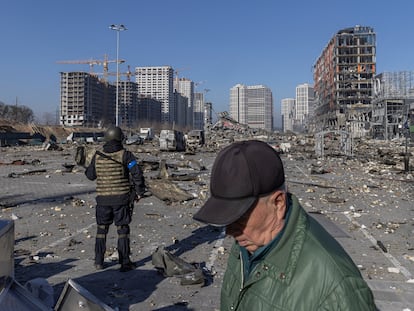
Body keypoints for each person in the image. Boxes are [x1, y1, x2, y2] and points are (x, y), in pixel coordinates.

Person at [193, 140, 377, 310]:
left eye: (239, 216)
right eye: (227, 218)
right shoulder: (247, 244)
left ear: (278, 203)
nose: (230, 232)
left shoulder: (335, 290)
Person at [85, 126, 146, 272]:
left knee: (101, 230)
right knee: (123, 230)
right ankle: (125, 262)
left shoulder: (97, 155)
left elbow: (90, 175)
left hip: (103, 200)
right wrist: (139, 192)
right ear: (120, 138)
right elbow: (137, 174)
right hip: (121, 199)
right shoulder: (126, 155)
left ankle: (98, 261)